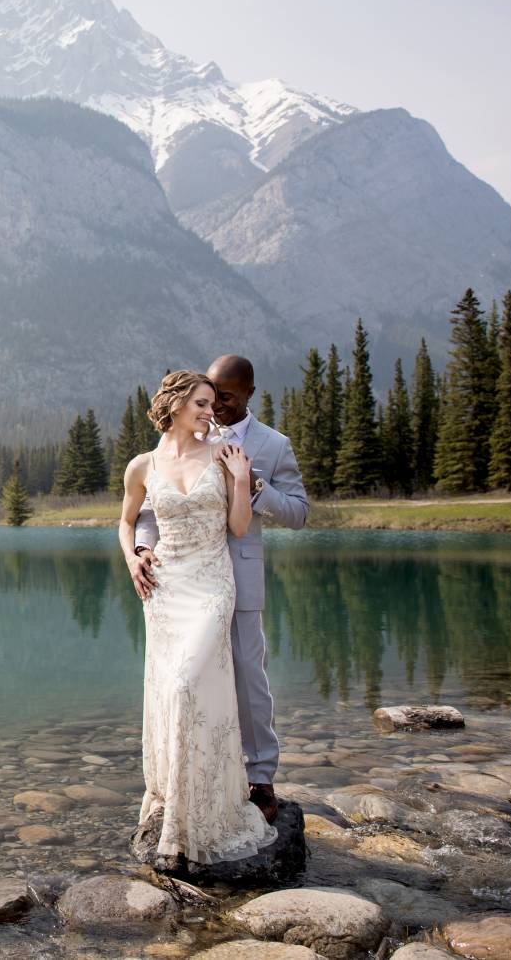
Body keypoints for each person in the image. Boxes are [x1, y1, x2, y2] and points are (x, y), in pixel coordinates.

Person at [129, 354, 309, 825]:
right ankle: (197, 777)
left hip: (237, 576)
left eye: (226, 397)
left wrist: (252, 486)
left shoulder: (273, 444)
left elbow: (298, 512)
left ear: (249, 392)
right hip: (181, 577)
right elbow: (153, 505)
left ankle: (260, 776)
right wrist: (143, 548)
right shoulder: (192, 435)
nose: (218, 407)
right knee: (186, 680)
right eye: (211, 396)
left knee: (249, 675)